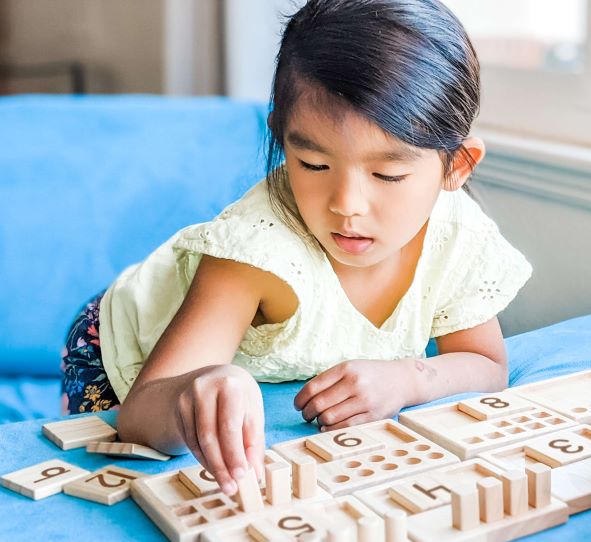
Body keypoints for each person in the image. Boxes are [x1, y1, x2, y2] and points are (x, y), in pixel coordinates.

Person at [59, 0, 531, 497]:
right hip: (120, 349)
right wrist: (196, 390)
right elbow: (138, 416)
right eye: (313, 165)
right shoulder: (255, 253)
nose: (347, 206)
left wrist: (410, 379)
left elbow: (487, 364)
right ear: (282, 141)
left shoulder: (458, 236)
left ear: (457, 165)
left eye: (387, 174)